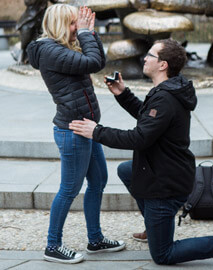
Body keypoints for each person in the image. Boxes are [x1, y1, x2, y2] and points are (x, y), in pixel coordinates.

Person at [69, 38, 213, 265]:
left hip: (165, 183)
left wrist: (97, 131)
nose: (144, 58)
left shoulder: (165, 97)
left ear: (163, 65)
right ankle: (154, 227)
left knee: (163, 255)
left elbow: (139, 137)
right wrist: (123, 94)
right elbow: (149, 121)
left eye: (150, 55)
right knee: (127, 170)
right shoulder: (168, 89)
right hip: (166, 170)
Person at [26, 4, 125, 264]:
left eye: (77, 23)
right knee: (69, 189)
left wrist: (89, 33)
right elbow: (93, 62)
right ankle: (53, 245)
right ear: (59, 25)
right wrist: (86, 33)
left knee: (99, 180)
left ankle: (95, 239)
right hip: (72, 131)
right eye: (72, 24)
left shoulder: (63, 48)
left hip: (87, 128)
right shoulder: (50, 51)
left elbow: (98, 61)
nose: (76, 28)